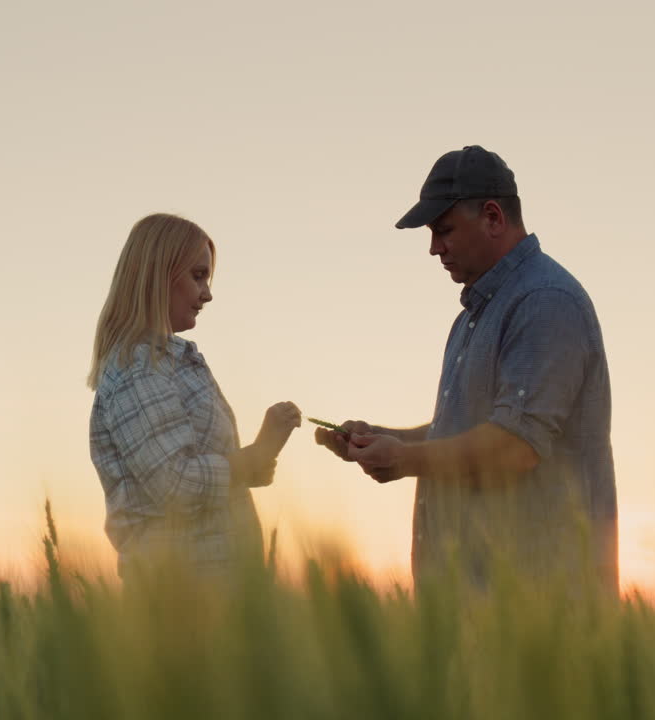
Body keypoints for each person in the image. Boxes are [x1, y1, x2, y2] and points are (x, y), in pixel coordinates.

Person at [315, 146, 618, 594]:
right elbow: (472, 430)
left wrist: (402, 459)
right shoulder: (480, 312)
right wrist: (385, 437)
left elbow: (515, 447)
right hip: (474, 601)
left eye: (444, 230)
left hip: (534, 604)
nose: (434, 248)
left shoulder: (544, 301)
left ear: (494, 217)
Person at [88, 213, 301, 580]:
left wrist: (262, 456)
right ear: (159, 275)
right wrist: (256, 454)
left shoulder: (171, 361)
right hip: (181, 594)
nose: (208, 293)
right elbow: (175, 485)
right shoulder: (138, 369)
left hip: (216, 590)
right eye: (198, 276)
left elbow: (210, 475)